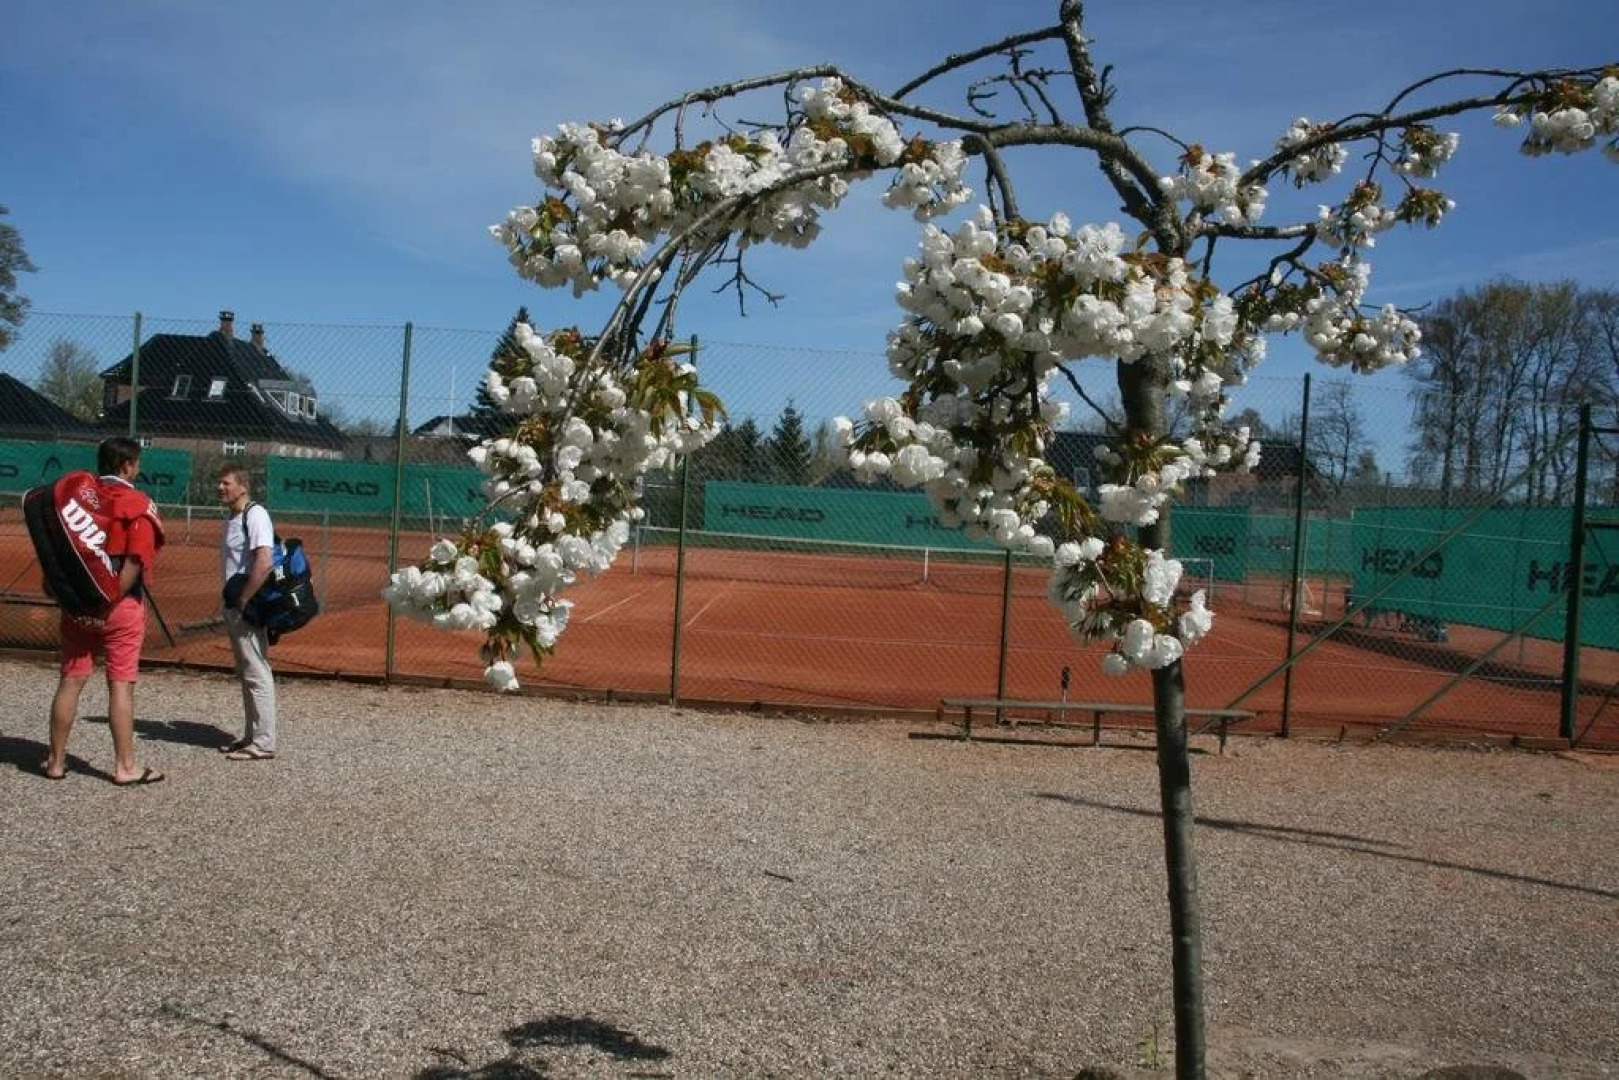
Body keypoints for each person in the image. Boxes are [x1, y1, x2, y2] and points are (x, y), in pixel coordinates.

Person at [42, 437, 166, 785]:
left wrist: (71, 600)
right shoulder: (137, 505)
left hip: (77, 607)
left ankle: (55, 762)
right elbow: (134, 563)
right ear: (127, 466)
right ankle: (125, 767)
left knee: (71, 679)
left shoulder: (74, 501)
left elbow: (56, 557)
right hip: (120, 608)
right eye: (136, 464)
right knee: (121, 685)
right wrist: (106, 602)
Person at [216, 465, 278, 761]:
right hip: (235, 604)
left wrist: (244, 600)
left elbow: (264, 561)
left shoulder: (256, 515)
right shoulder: (233, 518)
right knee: (247, 671)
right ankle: (251, 736)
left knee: (257, 671)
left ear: (243, 487)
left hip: (247, 606)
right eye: (220, 483)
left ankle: (264, 743)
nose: (220, 487)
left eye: (226, 483)